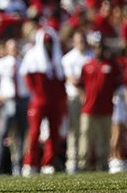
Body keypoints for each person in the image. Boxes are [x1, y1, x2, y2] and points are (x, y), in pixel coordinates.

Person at [19, 27, 66, 177]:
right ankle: (30, 163)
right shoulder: (33, 57)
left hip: (54, 101)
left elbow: (60, 81)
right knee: (34, 132)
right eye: (46, 42)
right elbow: (27, 79)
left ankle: (48, 162)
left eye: (50, 42)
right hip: (39, 101)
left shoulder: (57, 57)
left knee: (54, 133)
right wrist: (35, 93)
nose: (48, 45)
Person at [77, 32, 123, 172]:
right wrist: (84, 98)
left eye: (101, 47)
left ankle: (102, 164)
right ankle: (83, 164)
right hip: (89, 108)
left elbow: (117, 84)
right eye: (97, 47)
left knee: (104, 138)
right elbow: (80, 84)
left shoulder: (111, 66)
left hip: (106, 108)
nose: (99, 50)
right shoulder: (87, 65)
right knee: (86, 136)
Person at [0, 38, 30, 177]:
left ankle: (18, 166)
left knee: (21, 134)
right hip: (8, 101)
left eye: (16, 47)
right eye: (12, 47)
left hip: (22, 100)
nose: (14, 50)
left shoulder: (23, 64)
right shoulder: (2, 63)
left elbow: (29, 84)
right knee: (2, 134)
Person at [61, 31, 92, 174]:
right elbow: (71, 78)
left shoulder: (90, 55)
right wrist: (84, 94)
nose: (81, 43)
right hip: (75, 97)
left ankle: (84, 159)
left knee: (86, 129)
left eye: (83, 40)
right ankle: (72, 159)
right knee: (74, 128)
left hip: (89, 97)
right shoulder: (68, 58)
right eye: (78, 40)